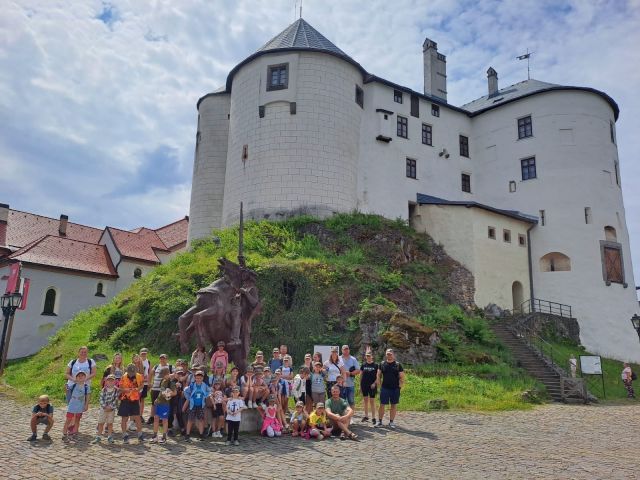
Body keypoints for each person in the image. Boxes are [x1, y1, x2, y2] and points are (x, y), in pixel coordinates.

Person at [375, 348, 405, 429]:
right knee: (382, 405)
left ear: (393, 355)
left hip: (395, 389)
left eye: (390, 354)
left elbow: (402, 377)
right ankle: (379, 421)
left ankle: (391, 422)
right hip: (385, 388)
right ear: (386, 355)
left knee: (393, 405)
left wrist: (400, 386)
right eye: (388, 354)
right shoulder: (382, 364)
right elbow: (378, 375)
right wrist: (379, 385)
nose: (389, 355)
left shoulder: (398, 365)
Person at [118, 363, 145, 444]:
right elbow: (120, 388)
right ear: (127, 371)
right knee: (124, 418)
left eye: (133, 373)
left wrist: (138, 389)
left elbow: (142, 385)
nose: (131, 374)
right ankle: (124, 435)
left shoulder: (139, 376)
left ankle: (140, 435)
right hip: (125, 399)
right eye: (130, 372)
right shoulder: (123, 377)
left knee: (137, 417)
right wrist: (125, 390)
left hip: (135, 399)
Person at [150, 367, 176, 444]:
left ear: (167, 374)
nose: (162, 377)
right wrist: (157, 398)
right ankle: (155, 436)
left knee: (164, 420)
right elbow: (161, 391)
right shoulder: (162, 380)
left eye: (163, 375)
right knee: (156, 418)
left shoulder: (171, 383)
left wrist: (168, 394)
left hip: (165, 404)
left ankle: (164, 437)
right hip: (159, 402)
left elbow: (175, 393)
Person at [63, 371, 90, 441]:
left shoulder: (86, 387)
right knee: (68, 419)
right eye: (79, 376)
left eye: (82, 375)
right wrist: (66, 388)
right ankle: (64, 434)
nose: (80, 377)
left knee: (77, 420)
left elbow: (88, 396)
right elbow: (67, 391)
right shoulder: (73, 385)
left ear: (85, 377)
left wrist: (86, 405)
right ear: (76, 378)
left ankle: (74, 433)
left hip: (80, 406)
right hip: (72, 406)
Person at [184, 370, 210, 441]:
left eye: (200, 378)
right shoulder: (192, 385)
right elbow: (185, 391)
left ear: (202, 378)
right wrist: (189, 398)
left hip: (201, 405)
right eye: (197, 378)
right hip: (193, 405)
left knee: (201, 419)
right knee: (190, 420)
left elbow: (209, 391)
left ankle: (201, 434)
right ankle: (187, 434)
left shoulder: (204, 385)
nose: (198, 379)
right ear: (195, 378)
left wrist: (205, 396)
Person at [93, 374, 118, 444]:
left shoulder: (116, 390)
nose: (110, 382)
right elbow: (101, 399)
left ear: (115, 382)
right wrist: (105, 406)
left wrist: (111, 407)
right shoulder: (104, 390)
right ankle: (98, 436)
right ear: (106, 381)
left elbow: (116, 400)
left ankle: (110, 436)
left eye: (112, 381)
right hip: (103, 409)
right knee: (101, 422)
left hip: (111, 409)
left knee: (110, 423)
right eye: (109, 380)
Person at [149, 354, 173, 423]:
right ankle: (152, 417)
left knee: (163, 403)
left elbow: (175, 374)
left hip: (164, 389)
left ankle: (161, 418)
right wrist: (149, 382)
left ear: (167, 359)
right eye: (161, 358)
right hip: (155, 388)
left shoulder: (170, 366)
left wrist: (168, 376)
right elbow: (151, 373)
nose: (162, 360)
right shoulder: (156, 366)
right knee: (154, 403)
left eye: (164, 358)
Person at [339, 344, 360, 422]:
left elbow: (358, 370)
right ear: (342, 350)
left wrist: (350, 373)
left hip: (350, 384)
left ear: (349, 350)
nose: (346, 350)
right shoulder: (338, 358)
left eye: (347, 349)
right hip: (340, 384)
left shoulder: (353, 359)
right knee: (342, 401)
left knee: (351, 401)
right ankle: (343, 417)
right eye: (344, 349)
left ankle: (350, 418)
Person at [171, 359, 189, 436]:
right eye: (178, 374)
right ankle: (170, 429)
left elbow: (184, 389)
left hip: (179, 399)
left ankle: (182, 428)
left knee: (179, 413)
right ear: (175, 374)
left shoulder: (182, 381)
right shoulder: (173, 381)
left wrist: (183, 391)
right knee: (172, 413)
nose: (180, 375)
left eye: (181, 374)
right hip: (173, 399)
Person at [360, 350, 379, 424]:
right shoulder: (363, 365)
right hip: (364, 385)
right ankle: (366, 416)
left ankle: (373, 417)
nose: (368, 357)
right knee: (365, 401)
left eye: (369, 356)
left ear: (372, 356)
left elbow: (378, 376)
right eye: (367, 356)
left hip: (372, 386)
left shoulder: (376, 365)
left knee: (372, 401)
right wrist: (360, 386)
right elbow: (361, 375)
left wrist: (374, 383)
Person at [139, 348, 151, 423]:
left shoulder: (148, 362)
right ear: (140, 353)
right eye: (142, 353)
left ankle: (140, 415)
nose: (143, 354)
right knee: (136, 399)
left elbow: (150, 373)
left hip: (145, 383)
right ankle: (135, 415)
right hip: (137, 383)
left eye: (145, 353)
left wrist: (149, 382)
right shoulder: (137, 361)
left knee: (142, 399)